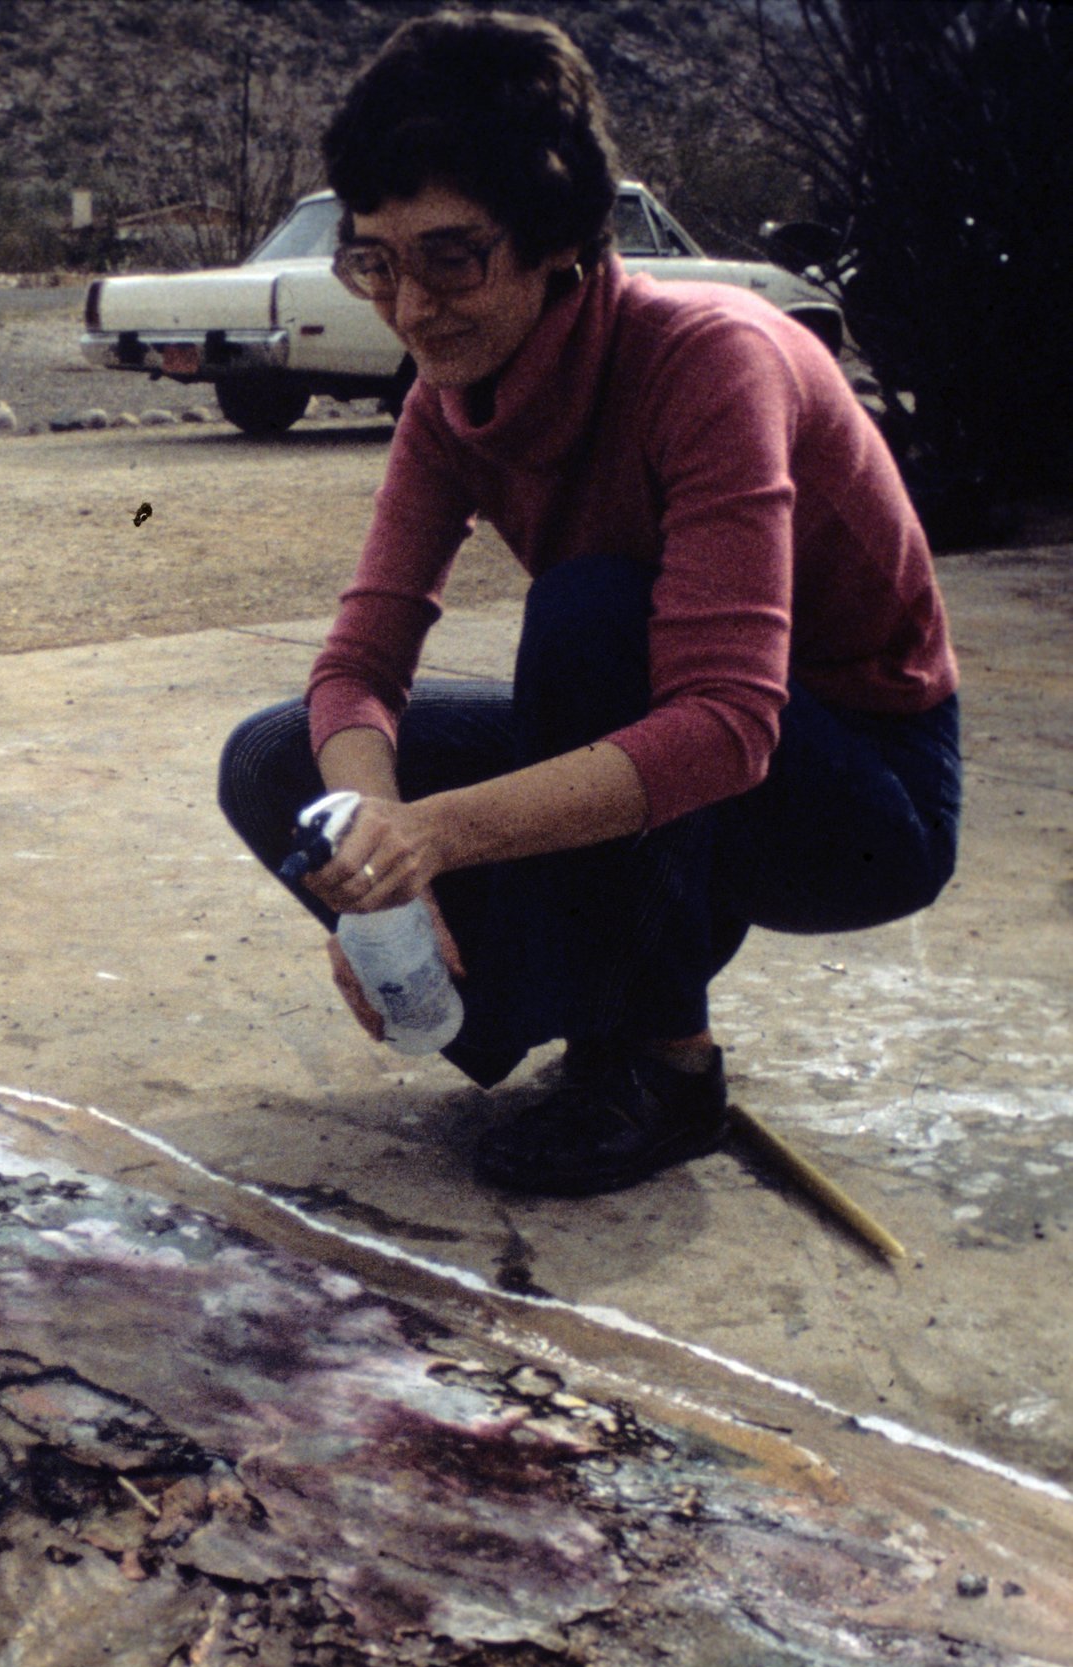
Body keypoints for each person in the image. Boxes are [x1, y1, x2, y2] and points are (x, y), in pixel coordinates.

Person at [217, 9, 960, 1196]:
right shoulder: (448, 400)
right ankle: (526, 1009)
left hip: (859, 793)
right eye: (376, 263)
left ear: (561, 232)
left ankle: (661, 1062)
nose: (411, 308)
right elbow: (358, 663)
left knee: (593, 614)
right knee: (277, 765)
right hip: (679, 725)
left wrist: (439, 834)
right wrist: (376, 874)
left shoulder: (711, 358)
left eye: (452, 257)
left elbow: (727, 724)